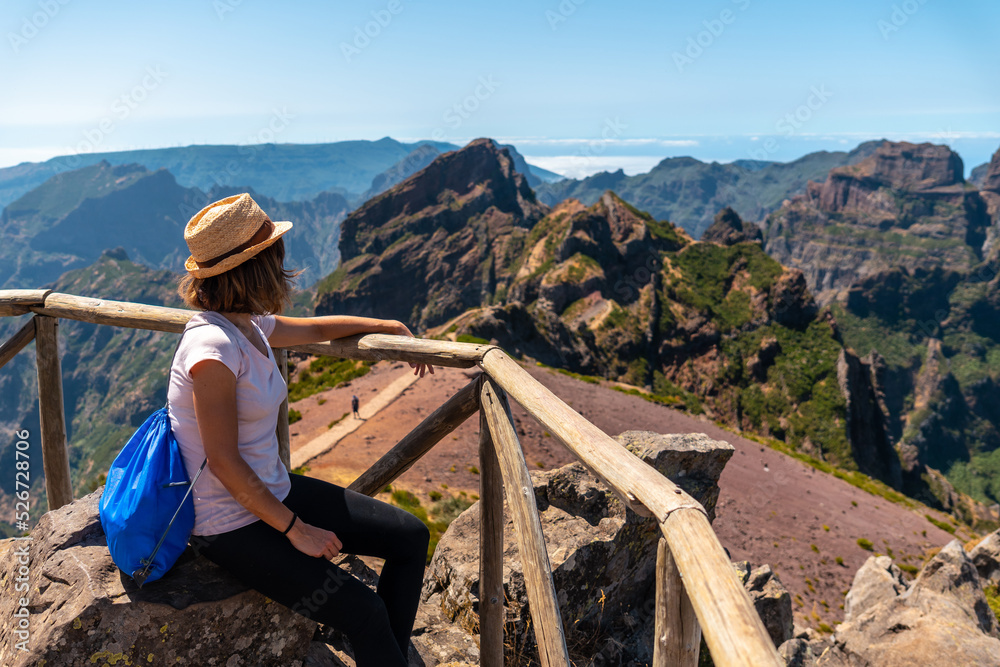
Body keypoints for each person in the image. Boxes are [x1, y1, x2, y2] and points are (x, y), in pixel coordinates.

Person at [166, 193, 432, 666]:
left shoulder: (246, 325)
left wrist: (386, 327)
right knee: (364, 611)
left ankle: (385, 657)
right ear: (257, 267)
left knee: (409, 538)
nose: (284, 264)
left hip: (271, 491)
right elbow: (224, 462)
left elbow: (310, 330)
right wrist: (297, 530)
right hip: (227, 523)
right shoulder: (212, 348)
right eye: (275, 254)